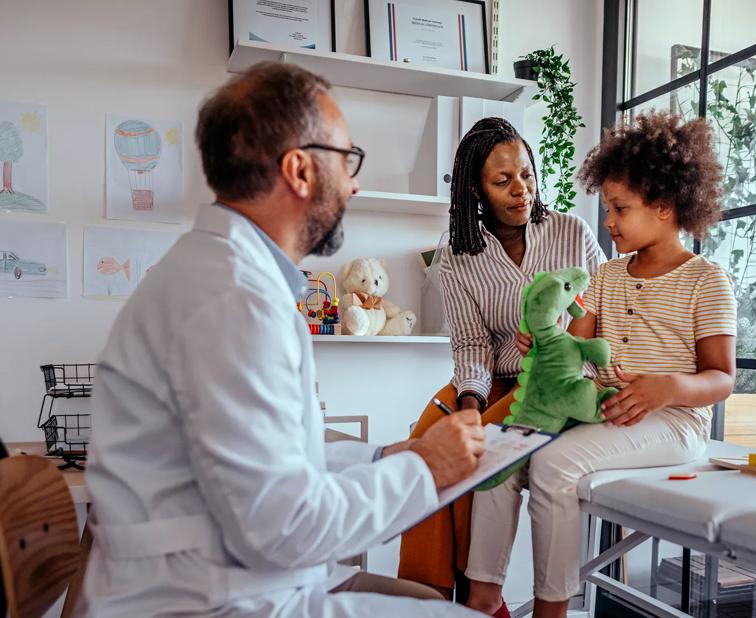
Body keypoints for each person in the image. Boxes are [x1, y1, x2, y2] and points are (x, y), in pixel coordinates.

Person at [82, 61, 488, 618]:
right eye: (347, 159)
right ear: (299, 170)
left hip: (228, 580)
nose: (354, 182)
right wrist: (424, 470)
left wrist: (383, 455)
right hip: (218, 601)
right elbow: (286, 526)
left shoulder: (223, 276)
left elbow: (268, 459)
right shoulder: (235, 300)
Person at [464, 111, 737, 618]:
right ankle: (482, 600)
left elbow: (722, 378)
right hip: (605, 408)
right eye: (607, 207)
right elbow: (573, 344)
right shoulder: (606, 276)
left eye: (618, 208)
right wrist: (543, 342)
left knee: (552, 462)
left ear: (663, 205)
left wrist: (667, 388)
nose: (607, 221)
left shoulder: (706, 280)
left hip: (674, 422)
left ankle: (552, 608)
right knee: (502, 454)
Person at [397, 117, 607, 614]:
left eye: (528, 176)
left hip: (555, 379)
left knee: (473, 456)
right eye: (503, 181)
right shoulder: (456, 257)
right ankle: (424, 601)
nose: (522, 191)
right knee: (422, 451)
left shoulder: (571, 233)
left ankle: (479, 599)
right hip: (489, 379)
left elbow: (607, 305)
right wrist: (469, 404)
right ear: (475, 188)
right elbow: (472, 347)